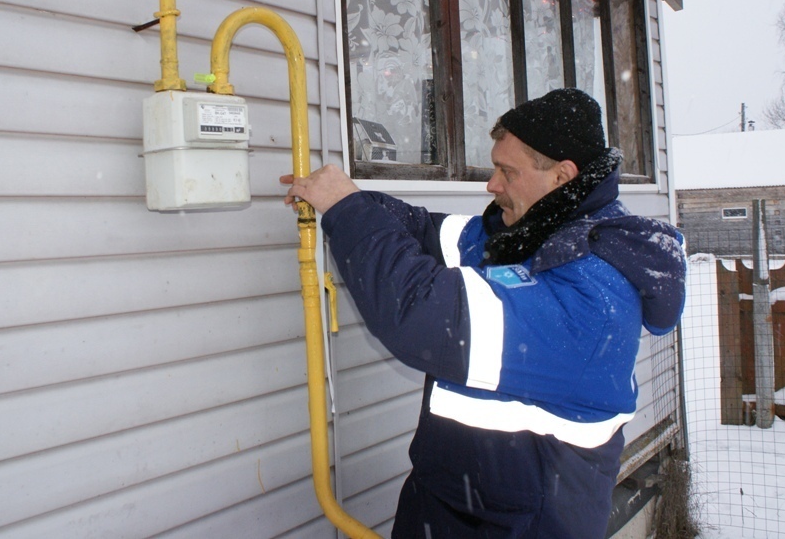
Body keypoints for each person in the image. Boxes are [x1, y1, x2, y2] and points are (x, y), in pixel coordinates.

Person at [281, 88, 686, 539]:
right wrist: (353, 199)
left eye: (507, 172)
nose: (492, 185)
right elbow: (426, 230)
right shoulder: (528, 232)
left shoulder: (591, 300)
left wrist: (346, 209)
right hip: (453, 509)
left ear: (561, 176)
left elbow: (419, 315)